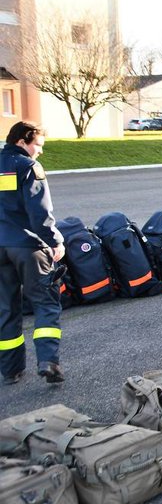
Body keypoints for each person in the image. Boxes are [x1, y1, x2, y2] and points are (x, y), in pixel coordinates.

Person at [0, 121, 65, 385]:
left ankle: (10, 370)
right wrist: (55, 241)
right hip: (28, 246)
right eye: (38, 145)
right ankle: (48, 362)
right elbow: (39, 213)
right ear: (23, 141)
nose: (40, 152)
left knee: (5, 308)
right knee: (45, 302)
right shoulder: (28, 167)